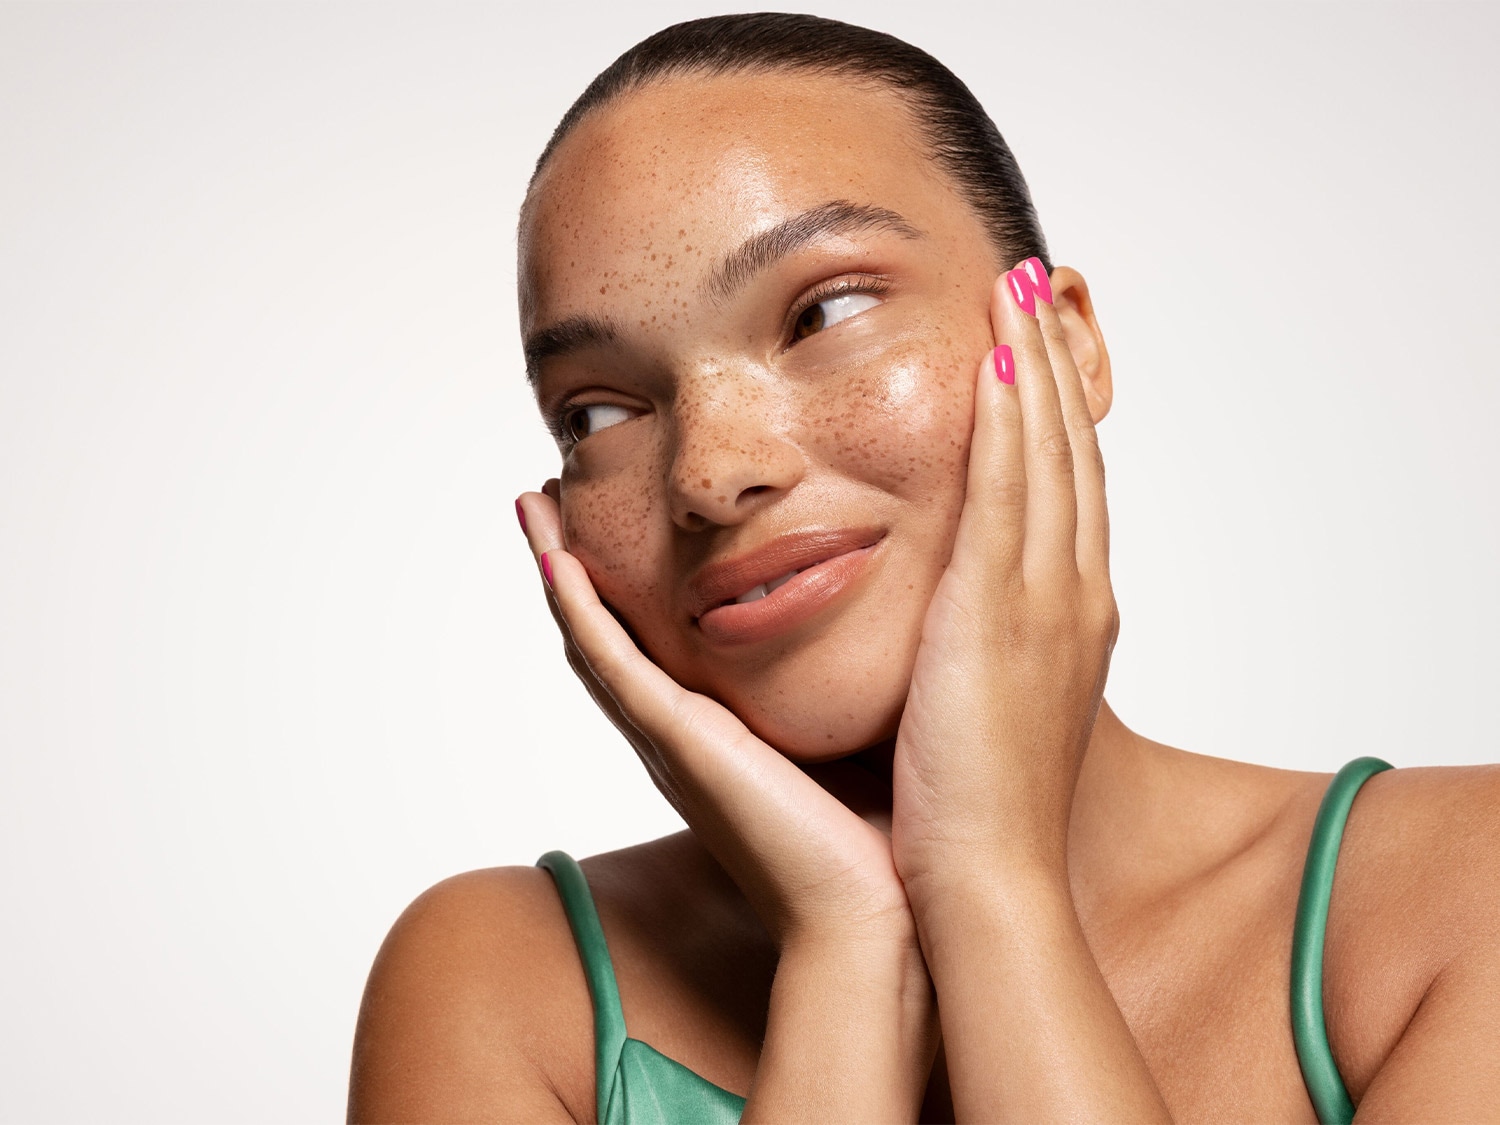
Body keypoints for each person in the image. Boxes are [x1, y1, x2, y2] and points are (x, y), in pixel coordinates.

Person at [347, 13, 1500, 1122]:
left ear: (1070, 341)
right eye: (598, 412)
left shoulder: (1456, 895)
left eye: (822, 311)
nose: (710, 470)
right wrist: (848, 951)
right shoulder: (500, 986)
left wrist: (990, 880)